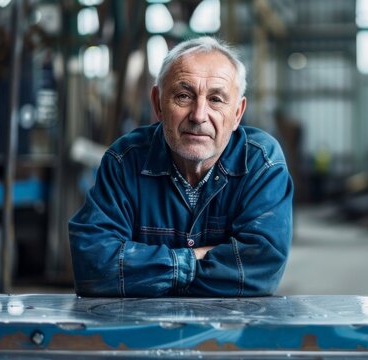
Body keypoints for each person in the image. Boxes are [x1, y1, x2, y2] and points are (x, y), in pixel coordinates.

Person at [68, 36, 294, 297]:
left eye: (216, 100)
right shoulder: (124, 161)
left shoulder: (262, 164)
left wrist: (143, 270)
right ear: (158, 103)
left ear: (238, 113)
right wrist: (194, 258)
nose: (198, 115)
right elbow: (92, 267)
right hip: (138, 331)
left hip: (232, 331)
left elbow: (259, 271)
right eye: (184, 96)